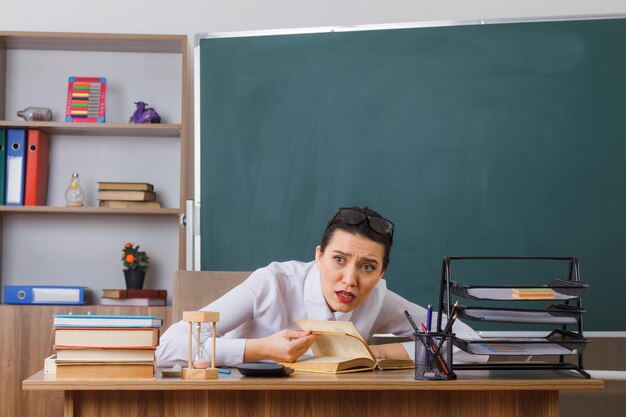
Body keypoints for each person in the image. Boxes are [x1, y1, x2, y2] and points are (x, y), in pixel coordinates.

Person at [157, 206, 485, 367]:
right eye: (339, 260)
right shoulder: (271, 283)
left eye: (368, 267)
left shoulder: (376, 298)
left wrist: (377, 352)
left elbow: (471, 345)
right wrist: (261, 349)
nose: (350, 280)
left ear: (382, 271)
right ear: (318, 256)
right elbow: (169, 346)